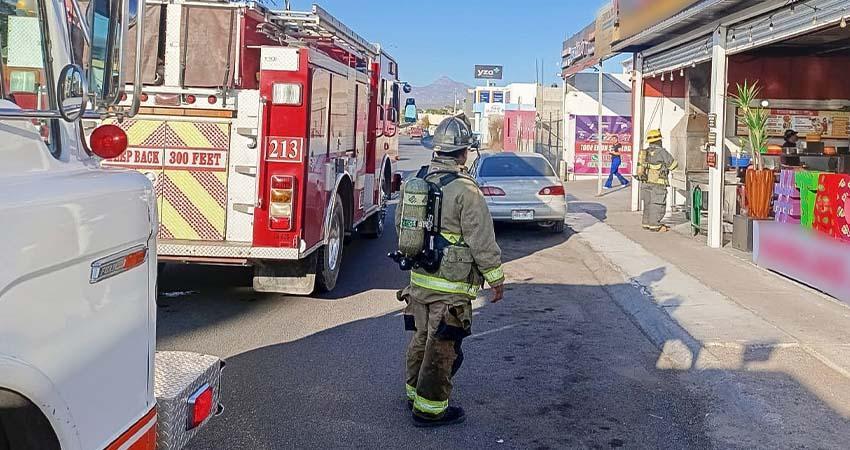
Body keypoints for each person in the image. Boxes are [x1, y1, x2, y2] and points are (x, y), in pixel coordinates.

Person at [396, 114, 505, 428]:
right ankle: (429, 411)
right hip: (451, 284)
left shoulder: (417, 182)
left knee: (420, 339)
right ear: (463, 152)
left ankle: (413, 392)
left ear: (435, 149)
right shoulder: (467, 191)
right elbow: (481, 240)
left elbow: (401, 227)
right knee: (442, 345)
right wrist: (496, 279)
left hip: (418, 280)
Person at [637, 129, 678, 232]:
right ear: (659, 140)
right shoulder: (662, 152)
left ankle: (646, 223)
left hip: (645, 182)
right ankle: (655, 225)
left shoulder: (645, 152)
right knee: (657, 204)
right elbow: (673, 165)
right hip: (658, 183)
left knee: (648, 204)